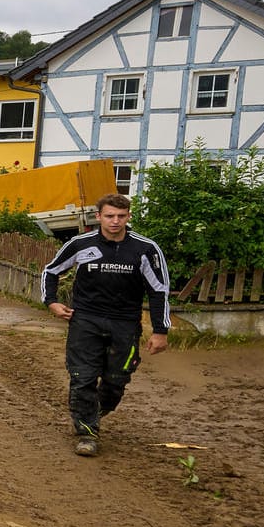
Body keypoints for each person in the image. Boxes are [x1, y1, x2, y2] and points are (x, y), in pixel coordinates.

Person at [40, 193, 170, 457]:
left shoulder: (145, 249)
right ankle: (87, 433)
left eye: (121, 216)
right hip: (85, 319)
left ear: (128, 217)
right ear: (98, 216)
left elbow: (159, 290)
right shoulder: (80, 244)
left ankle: (90, 413)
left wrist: (160, 330)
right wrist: (51, 302)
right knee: (82, 377)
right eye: (109, 216)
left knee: (116, 380)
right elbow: (51, 271)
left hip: (125, 323)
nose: (115, 221)